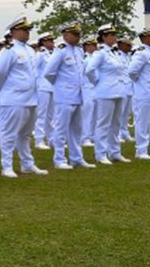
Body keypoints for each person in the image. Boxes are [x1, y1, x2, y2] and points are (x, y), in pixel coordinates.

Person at [0, 17, 47, 178]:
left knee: (25, 134)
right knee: (9, 133)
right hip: (14, 98)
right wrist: (9, 90)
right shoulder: (9, 50)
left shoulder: (30, 50)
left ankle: (27, 164)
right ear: (15, 32)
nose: (28, 33)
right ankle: (6, 166)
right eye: (24, 30)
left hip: (31, 98)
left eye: (28, 30)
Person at [43, 21, 95, 170]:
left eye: (79, 34)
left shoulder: (78, 51)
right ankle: (59, 159)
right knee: (61, 128)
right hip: (64, 95)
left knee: (76, 129)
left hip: (78, 95)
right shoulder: (61, 51)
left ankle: (76, 158)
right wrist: (61, 86)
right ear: (66, 35)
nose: (78, 37)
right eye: (75, 34)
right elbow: (49, 72)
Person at [85, 24, 132, 164]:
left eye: (114, 34)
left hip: (118, 91)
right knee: (103, 124)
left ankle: (115, 152)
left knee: (116, 123)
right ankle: (101, 153)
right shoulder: (100, 53)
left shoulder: (114, 53)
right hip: (105, 92)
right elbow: (89, 70)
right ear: (104, 37)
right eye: (111, 35)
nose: (114, 37)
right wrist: (97, 83)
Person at [128, 29, 150, 159]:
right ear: (144, 38)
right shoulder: (141, 53)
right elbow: (132, 72)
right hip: (143, 92)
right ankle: (141, 150)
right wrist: (141, 84)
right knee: (142, 122)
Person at [34, 32, 56, 150]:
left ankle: (51, 139)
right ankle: (39, 139)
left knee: (51, 116)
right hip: (43, 87)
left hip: (52, 87)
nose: (52, 43)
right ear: (44, 42)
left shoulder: (53, 54)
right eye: (50, 41)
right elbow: (34, 70)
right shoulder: (40, 55)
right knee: (41, 114)